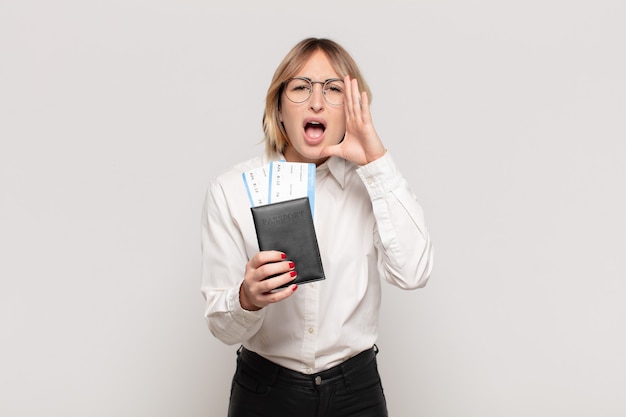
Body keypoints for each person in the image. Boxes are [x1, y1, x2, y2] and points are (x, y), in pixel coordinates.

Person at [201, 37, 434, 417]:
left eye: (333, 89)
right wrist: (247, 297)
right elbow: (224, 330)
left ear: (351, 110)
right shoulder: (229, 190)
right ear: (278, 109)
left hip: (355, 391)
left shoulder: (370, 185)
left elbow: (414, 272)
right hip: (265, 392)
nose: (316, 101)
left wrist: (376, 161)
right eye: (300, 87)